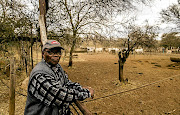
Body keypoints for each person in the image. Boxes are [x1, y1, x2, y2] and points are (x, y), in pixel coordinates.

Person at [24, 40, 94, 115]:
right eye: (51, 52)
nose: (56, 55)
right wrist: (87, 93)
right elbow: (60, 95)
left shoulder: (57, 67)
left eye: (58, 52)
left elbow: (67, 83)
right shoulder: (40, 75)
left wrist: (81, 88)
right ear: (43, 54)